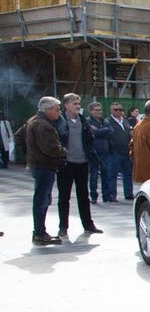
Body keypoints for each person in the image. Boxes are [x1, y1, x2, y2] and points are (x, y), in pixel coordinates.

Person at [55, 93, 101, 237]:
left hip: (82, 162)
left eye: (78, 104)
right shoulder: (59, 120)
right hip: (66, 163)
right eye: (74, 104)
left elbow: (89, 139)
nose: (77, 106)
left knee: (83, 195)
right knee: (64, 196)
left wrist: (90, 154)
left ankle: (88, 224)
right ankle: (63, 227)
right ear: (66, 105)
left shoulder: (83, 120)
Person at [23, 97, 67, 245]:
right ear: (47, 110)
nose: (58, 112)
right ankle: (39, 233)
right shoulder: (43, 125)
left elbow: (18, 137)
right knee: (42, 200)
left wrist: (30, 154)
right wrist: (63, 151)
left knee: (41, 199)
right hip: (44, 166)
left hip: (39, 165)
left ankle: (40, 231)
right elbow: (50, 148)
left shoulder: (33, 121)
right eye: (56, 109)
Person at [86, 101, 115, 203]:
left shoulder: (105, 121)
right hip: (94, 152)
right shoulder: (88, 121)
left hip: (105, 152)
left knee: (106, 174)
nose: (99, 112)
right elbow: (92, 132)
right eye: (96, 110)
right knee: (93, 176)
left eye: (100, 110)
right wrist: (103, 131)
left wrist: (99, 130)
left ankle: (106, 196)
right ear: (91, 111)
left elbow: (111, 131)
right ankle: (93, 196)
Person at [107, 102, 135, 200]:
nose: (118, 111)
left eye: (120, 109)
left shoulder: (125, 121)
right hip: (115, 152)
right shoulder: (108, 122)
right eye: (116, 110)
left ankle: (128, 193)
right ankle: (112, 195)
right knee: (112, 174)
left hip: (126, 151)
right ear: (111, 111)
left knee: (128, 174)